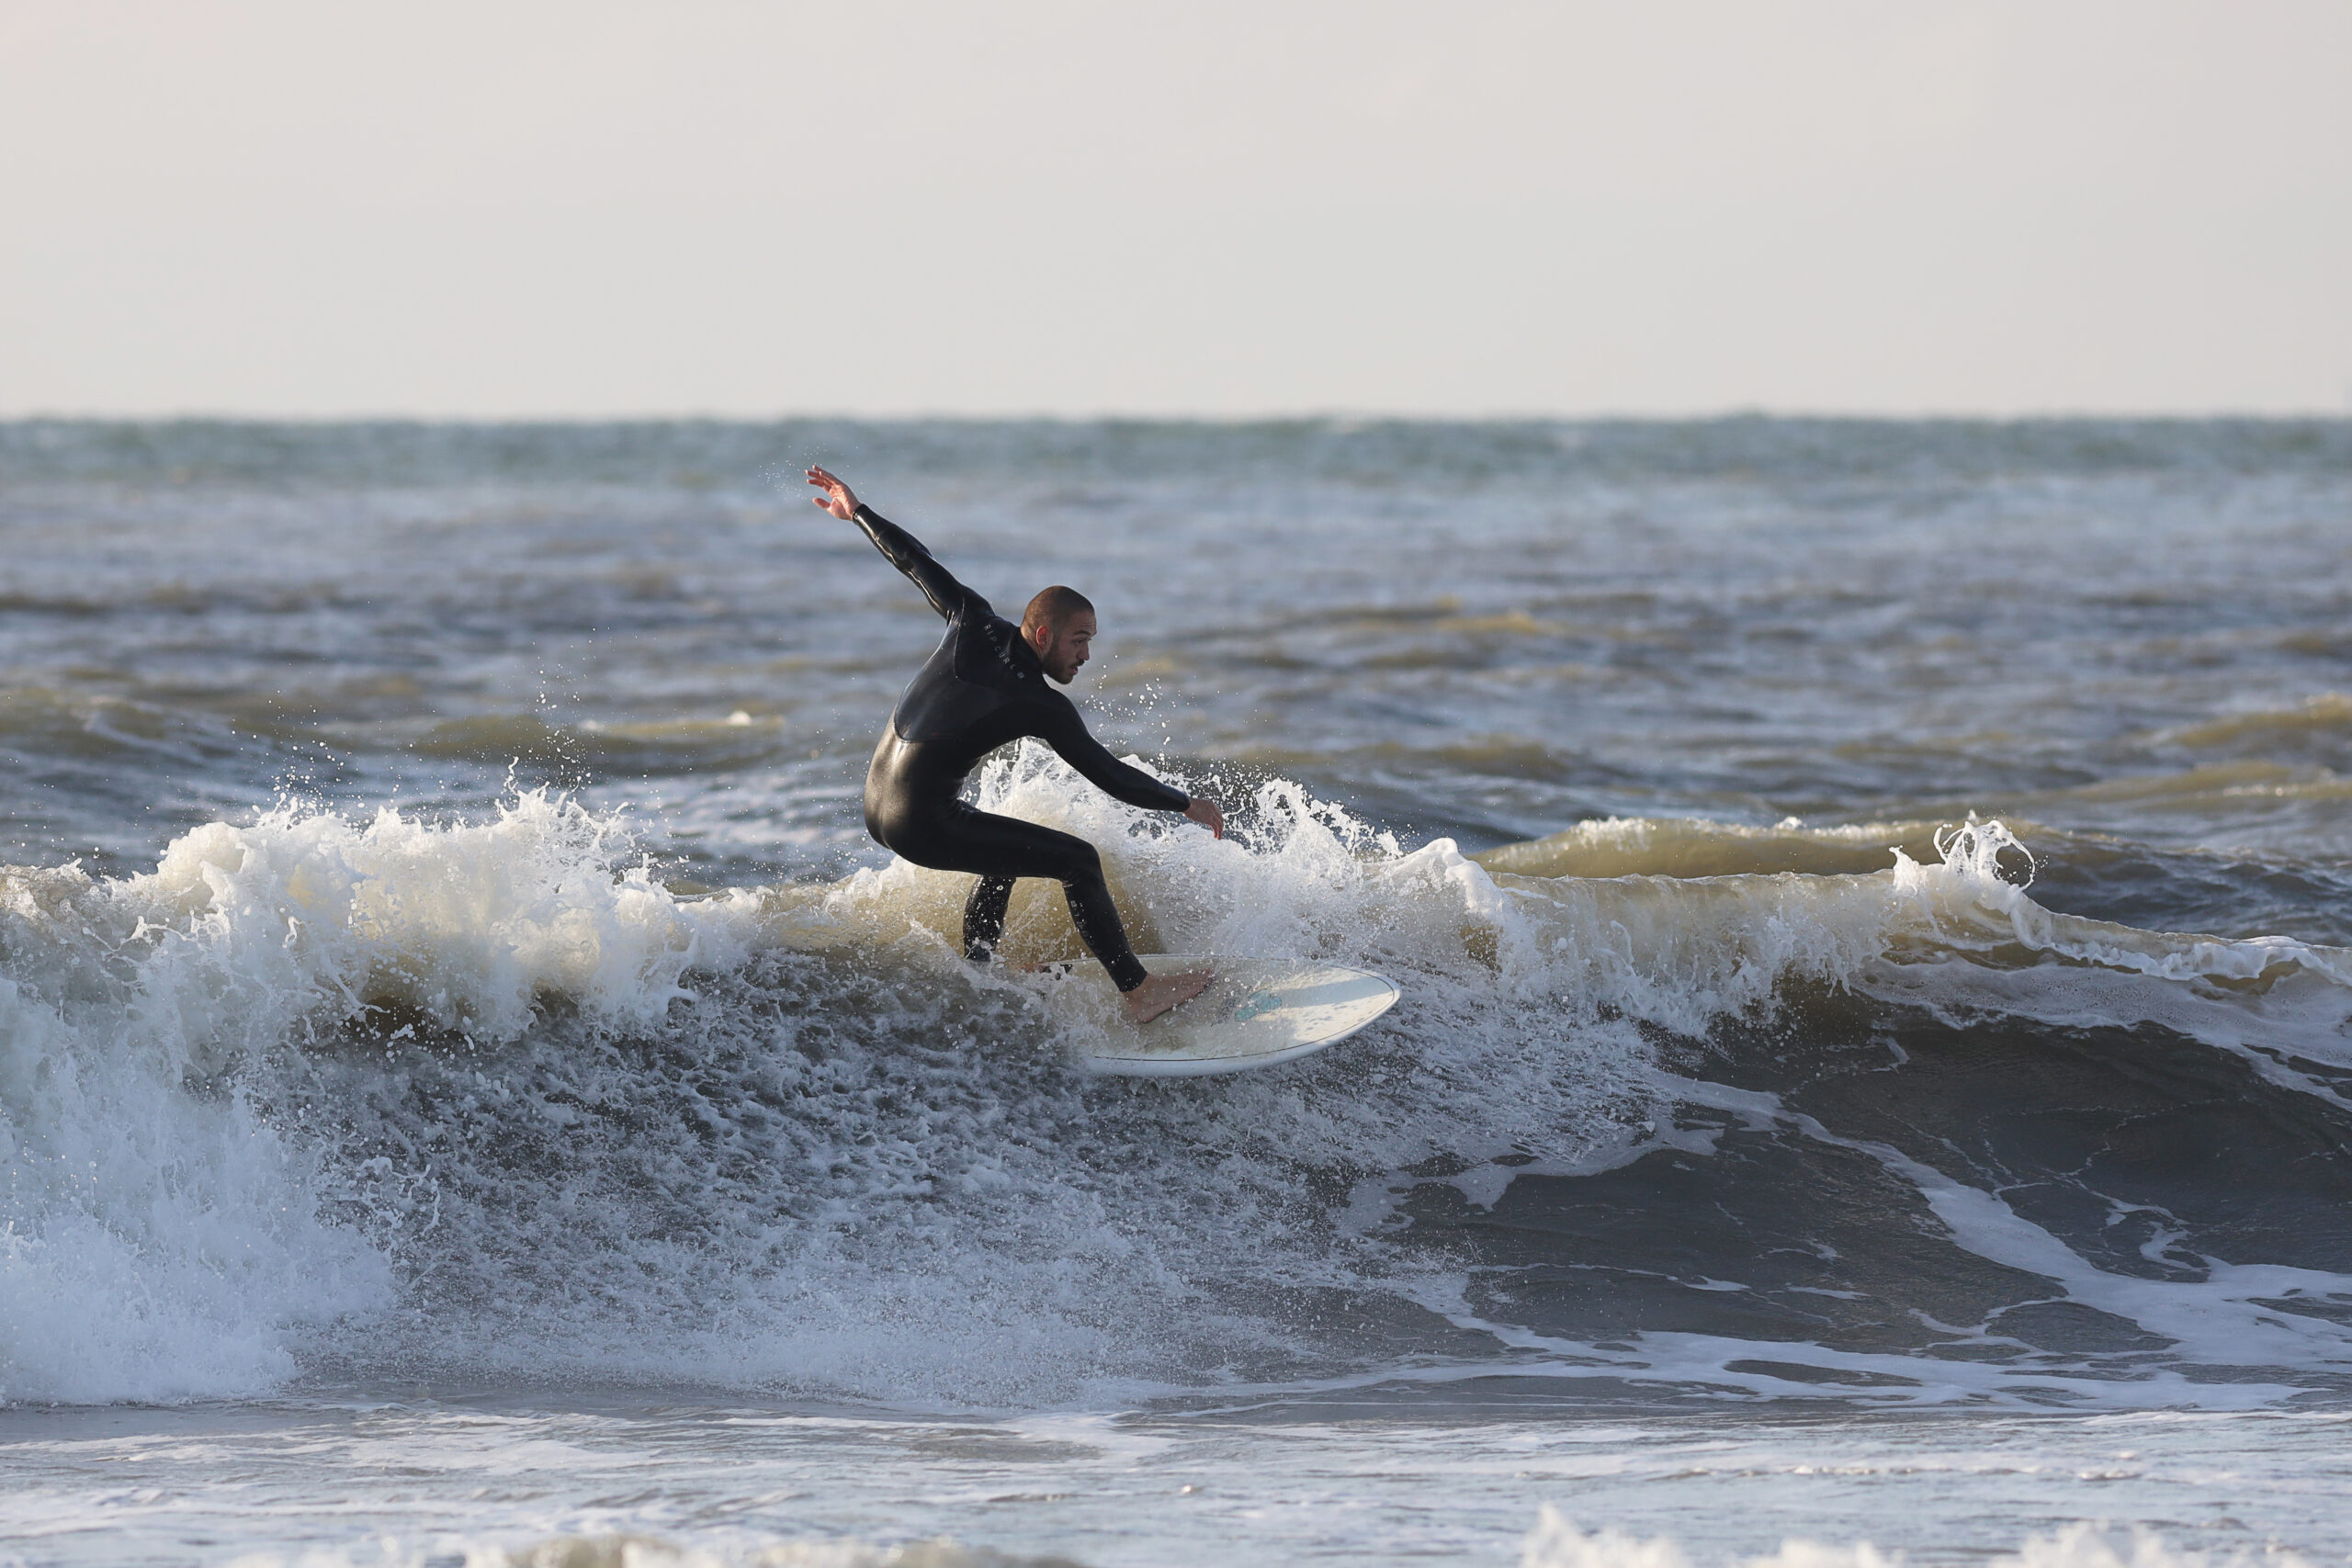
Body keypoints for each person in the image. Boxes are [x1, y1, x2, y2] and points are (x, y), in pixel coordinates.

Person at [807, 466, 1222, 1023]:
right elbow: (1110, 775)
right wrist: (1186, 803)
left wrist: (857, 511)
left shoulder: (970, 619)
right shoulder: (1041, 704)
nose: (1086, 655)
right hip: (919, 822)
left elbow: (914, 560)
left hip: (879, 807)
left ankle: (980, 970)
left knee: (1007, 844)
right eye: (1079, 640)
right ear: (1043, 635)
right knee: (1078, 860)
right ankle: (1139, 991)